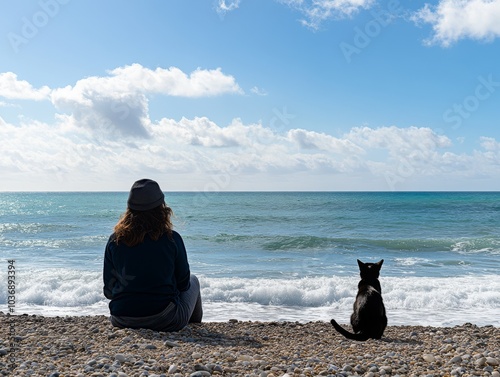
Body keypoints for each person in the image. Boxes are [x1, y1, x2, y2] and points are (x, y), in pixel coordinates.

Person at [103, 178, 202, 331]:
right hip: (164, 318)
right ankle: (194, 327)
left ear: (129, 210)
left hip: (121, 318)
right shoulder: (172, 239)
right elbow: (184, 284)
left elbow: (109, 292)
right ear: (162, 208)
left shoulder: (114, 240)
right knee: (193, 280)